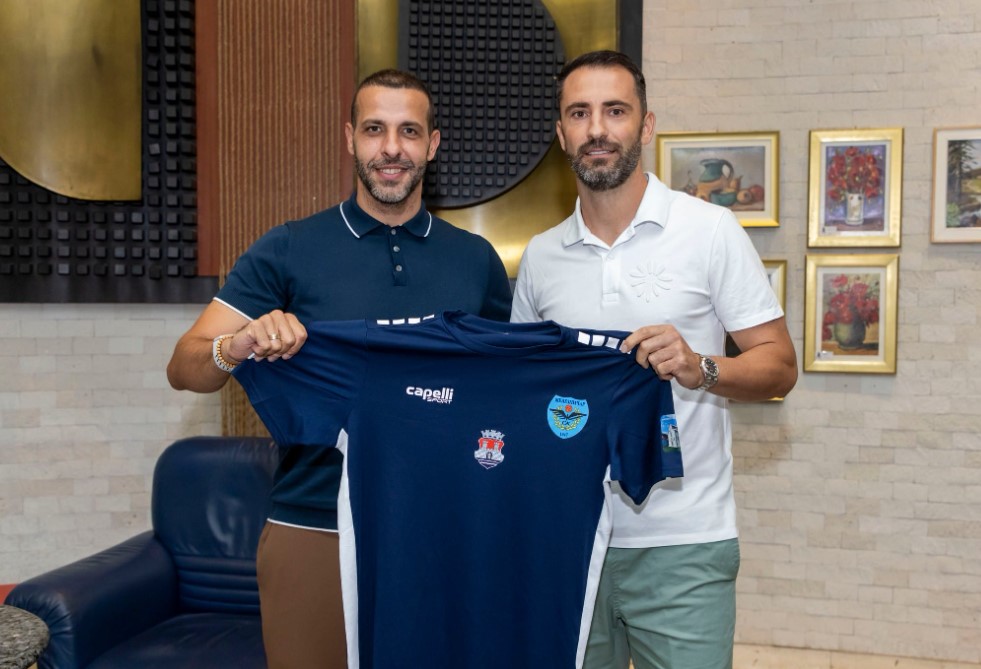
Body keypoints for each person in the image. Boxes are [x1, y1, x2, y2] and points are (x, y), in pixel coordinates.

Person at [167, 69, 512, 669]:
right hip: (313, 525)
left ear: (433, 144)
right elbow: (185, 366)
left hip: (444, 525)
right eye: (375, 129)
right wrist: (239, 344)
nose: (391, 148)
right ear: (350, 138)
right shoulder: (289, 249)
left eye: (409, 131)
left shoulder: (476, 261)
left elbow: (506, 389)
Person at [511, 50, 798, 669]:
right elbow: (522, 398)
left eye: (615, 111)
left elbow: (780, 366)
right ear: (560, 133)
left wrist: (701, 367)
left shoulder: (711, 231)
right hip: (569, 543)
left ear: (646, 126)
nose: (597, 129)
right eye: (579, 113)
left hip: (684, 546)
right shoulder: (540, 256)